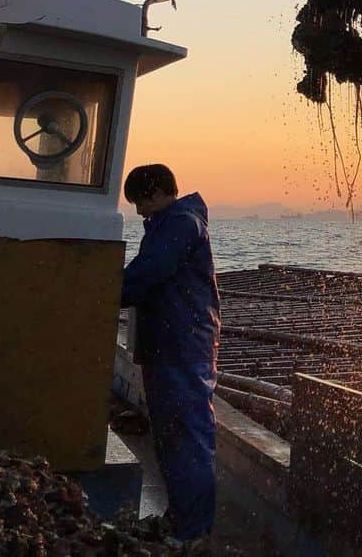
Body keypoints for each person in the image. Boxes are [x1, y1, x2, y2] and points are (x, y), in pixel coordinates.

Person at [121, 164, 221, 550]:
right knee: (169, 438)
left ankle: (192, 531)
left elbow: (149, 273)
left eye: (141, 202)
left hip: (183, 348)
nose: (139, 211)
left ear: (158, 193)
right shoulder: (169, 224)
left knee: (187, 441)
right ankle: (179, 518)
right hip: (168, 347)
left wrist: (99, 288)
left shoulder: (181, 224)